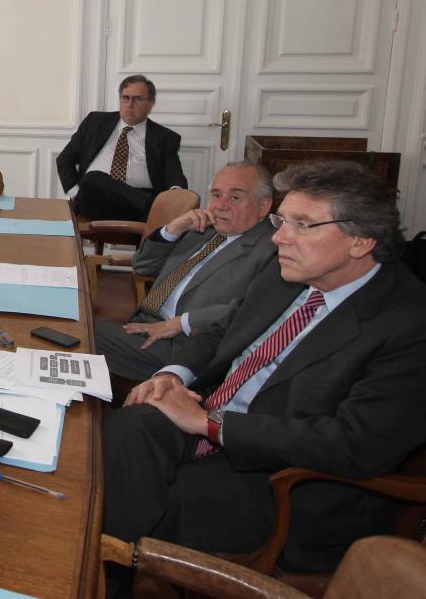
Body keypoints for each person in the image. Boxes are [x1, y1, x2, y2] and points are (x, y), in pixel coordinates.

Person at [103, 161, 426, 574]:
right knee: (122, 432)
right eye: (282, 221)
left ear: (360, 240)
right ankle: (104, 571)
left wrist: (211, 424)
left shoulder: (408, 325)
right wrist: (172, 375)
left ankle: (104, 573)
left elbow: (354, 444)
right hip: (216, 414)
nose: (279, 237)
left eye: (302, 225)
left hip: (284, 481)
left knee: (144, 502)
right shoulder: (284, 270)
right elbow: (222, 331)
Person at [95, 162, 277, 380]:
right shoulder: (204, 230)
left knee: (77, 332)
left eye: (235, 197)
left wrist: (182, 323)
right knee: (73, 328)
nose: (220, 206)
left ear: (263, 206)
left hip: (184, 348)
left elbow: (253, 309)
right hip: (146, 324)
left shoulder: (272, 250)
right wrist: (172, 230)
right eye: (216, 195)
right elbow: (143, 266)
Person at [57, 75, 187, 221]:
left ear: (151, 103)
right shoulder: (95, 122)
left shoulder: (164, 137)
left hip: (137, 205)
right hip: (95, 199)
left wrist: (176, 194)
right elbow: (64, 159)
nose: (130, 104)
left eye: (138, 99)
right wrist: (76, 194)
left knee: (93, 180)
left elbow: (174, 174)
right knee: (92, 178)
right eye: (125, 98)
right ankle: (155, 207)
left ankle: (154, 206)